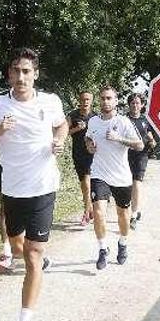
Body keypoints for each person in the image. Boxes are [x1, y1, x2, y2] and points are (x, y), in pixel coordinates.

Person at [0, 47, 67, 321]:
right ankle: (36, 258)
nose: (21, 76)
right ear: (9, 74)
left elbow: (62, 123)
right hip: (13, 189)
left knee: (32, 256)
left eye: (27, 71)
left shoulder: (50, 101)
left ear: (35, 74)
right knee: (17, 246)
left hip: (43, 186)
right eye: (16, 71)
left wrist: (59, 140)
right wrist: (0, 129)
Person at [85, 86, 142, 270]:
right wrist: (89, 146)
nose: (105, 101)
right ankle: (102, 249)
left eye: (109, 98)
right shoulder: (93, 121)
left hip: (121, 176)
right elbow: (88, 139)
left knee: (122, 215)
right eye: (102, 98)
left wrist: (119, 139)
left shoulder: (124, 122)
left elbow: (139, 145)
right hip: (99, 174)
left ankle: (123, 243)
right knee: (99, 212)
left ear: (116, 101)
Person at [125, 92, 156, 229]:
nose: (135, 105)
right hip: (125, 155)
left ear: (142, 105)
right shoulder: (123, 120)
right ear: (129, 104)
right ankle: (132, 210)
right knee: (127, 184)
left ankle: (133, 214)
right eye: (132, 103)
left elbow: (149, 134)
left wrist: (152, 141)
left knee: (137, 182)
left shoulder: (145, 121)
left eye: (138, 103)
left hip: (141, 155)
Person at [68, 91, 96, 226]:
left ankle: (86, 212)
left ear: (91, 101)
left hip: (93, 154)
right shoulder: (73, 115)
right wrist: (77, 129)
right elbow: (65, 132)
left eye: (88, 100)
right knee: (84, 184)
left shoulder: (96, 117)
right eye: (83, 99)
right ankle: (90, 209)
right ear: (79, 100)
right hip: (78, 153)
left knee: (87, 182)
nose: (85, 102)